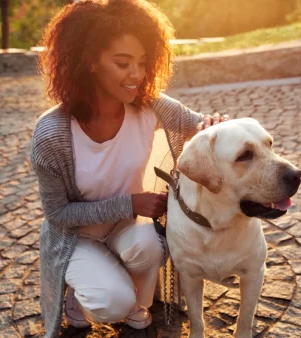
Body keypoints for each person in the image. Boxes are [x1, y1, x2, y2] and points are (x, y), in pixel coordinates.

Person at [30, 0, 228, 336]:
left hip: (126, 229)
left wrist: (215, 127)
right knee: (111, 303)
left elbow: (195, 124)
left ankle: (136, 298)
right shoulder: (51, 134)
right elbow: (58, 214)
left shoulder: (149, 104)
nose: (136, 74)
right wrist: (131, 204)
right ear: (90, 61)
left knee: (150, 247)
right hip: (76, 238)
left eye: (141, 62)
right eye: (122, 63)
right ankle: (81, 293)